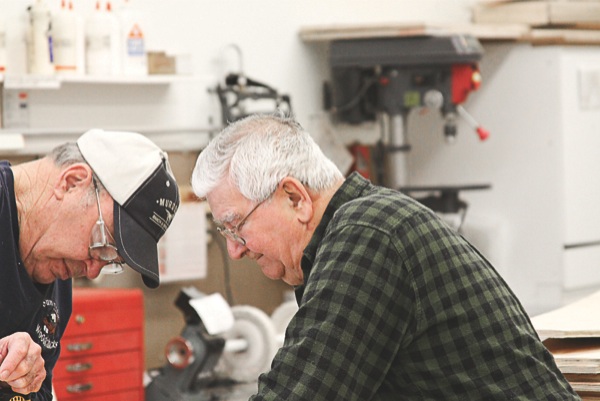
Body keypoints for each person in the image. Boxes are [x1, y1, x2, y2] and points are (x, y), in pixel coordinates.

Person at [191, 113, 581, 401]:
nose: (234, 249)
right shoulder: (358, 229)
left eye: (235, 225)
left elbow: (302, 394)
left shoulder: (368, 233)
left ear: (295, 198)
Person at [0, 129, 180, 400]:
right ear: (71, 182)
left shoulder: (58, 283)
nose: (94, 270)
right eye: (102, 241)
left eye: (111, 260)